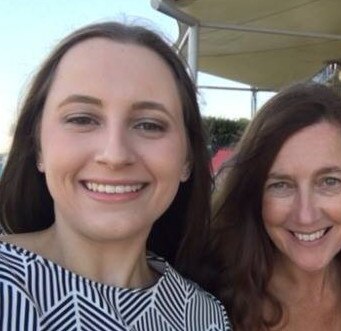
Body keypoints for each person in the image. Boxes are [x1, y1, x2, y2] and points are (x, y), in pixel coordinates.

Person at [0, 22, 229, 330]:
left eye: (149, 125)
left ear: (187, 158)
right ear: (38, 147)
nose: (115, 154)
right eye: (82, 118)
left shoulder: (205, 316)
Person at [194, 82, 341, 330]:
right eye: (281, 185)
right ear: (254, 188)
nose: (306, 216)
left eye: (330, 181)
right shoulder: (203, 304)